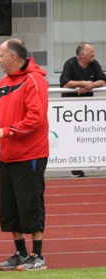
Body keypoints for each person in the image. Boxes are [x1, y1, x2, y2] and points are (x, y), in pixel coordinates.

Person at [0, 38, 49, 272]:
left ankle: (38, 256)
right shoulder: (3, 83)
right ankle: (21, 253)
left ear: (13, 57)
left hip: (30, 155)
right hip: (7, 156)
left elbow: (35, 118)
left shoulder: (34, 80)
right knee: (10, 207)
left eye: (0, 55)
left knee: (31, 205)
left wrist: (8, 131)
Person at [60, 43, 106, 178]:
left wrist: (89, 85)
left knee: (86, 133)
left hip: (87, 108)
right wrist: (82, 83)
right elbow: (65, 82)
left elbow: (103, 81)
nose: (94, 54)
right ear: (82, 55)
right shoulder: (70, 64)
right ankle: (75, 167)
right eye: (91, 52)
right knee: (72, 135)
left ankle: (88, 161)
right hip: (70, 109)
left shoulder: (94, 64)